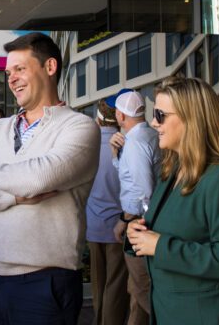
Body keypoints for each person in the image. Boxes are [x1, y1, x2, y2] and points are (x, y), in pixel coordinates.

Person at [0, 32, 100, 325]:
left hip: (45, 283)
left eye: (19, 69)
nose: (12, 79)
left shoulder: (79, 128)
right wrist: (12, 197)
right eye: (8, 73)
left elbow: (38, 178)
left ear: (50, 67)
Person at [126, 76, 219, 325]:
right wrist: (137, 233)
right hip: (170, 311)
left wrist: (160, 246)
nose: (153, 122)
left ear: (191, 119)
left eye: (160, 115)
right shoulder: (173, 170)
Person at [109, 89, 161, 325]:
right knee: (136, 288)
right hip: (138, 219)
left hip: (139, 223)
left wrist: (128, 220)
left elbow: (145, 190)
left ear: (121, 116)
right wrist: (115, 153)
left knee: (141, 288)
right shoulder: (148, 135)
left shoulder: (135, 142)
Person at [86, 99, 128, 325]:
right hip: (118, 227)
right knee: (115, 286)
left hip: (93, 226)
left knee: (98, 285)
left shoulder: (88, 147)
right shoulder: (125, 146)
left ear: (99, 117)